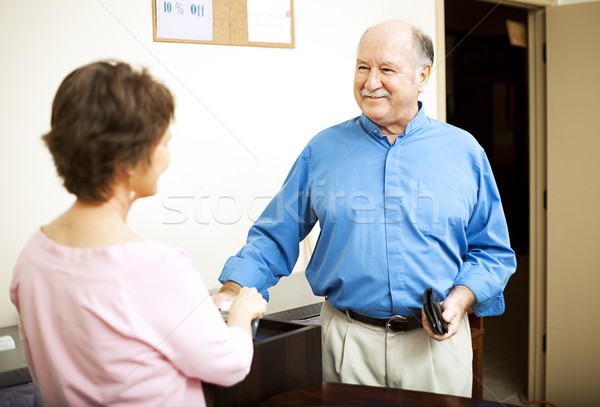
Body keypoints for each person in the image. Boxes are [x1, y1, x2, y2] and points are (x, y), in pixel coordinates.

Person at [214, 20, 516, 397]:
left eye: (386, 69)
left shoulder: (464, 152)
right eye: (362, 67)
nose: (370, 81)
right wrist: (232, 290)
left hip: (434, 348)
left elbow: (493, 252)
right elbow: (276, 234)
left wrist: (460, 299)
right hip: (346, 343)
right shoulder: (323, 149)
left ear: (422, 76)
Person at [10, 60, 267, 406]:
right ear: (129, 162)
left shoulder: (33, 255)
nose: (166, 157)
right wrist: (241, 313)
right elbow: (228, 365)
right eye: (163, 143)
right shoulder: (156, 268)